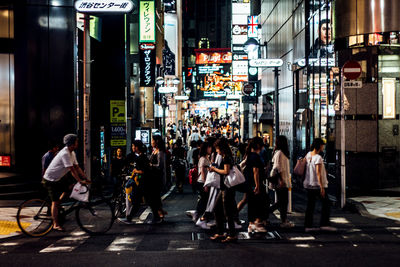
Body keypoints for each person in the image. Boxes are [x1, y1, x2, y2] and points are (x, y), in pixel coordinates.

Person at [42, 134, 89, 231]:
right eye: (76, 141)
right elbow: (71, 170)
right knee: (54, 202)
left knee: (70, 188)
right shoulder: (65, 154)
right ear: (72, 143)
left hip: (58, 179)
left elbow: (77, 167)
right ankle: (55, 224)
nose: (78, 143)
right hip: (50, 180)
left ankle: (59, 204)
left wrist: (86, 178)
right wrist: (80, 181)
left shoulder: (72, 153)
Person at [209, 138, 238, 243]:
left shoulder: (226, 158)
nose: (216, 151)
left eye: (217, 149)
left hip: (227, 188)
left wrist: (214, 169)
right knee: (217, 209)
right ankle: (221, 232)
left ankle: (232, 234)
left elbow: (226, 171)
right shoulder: (225, 157)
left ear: (221, 148)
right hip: (223, 188)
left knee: (227, 212)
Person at [303, 138, 336, 232]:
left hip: (309, 184)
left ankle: (308, 226)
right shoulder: (318, 157)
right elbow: (318, 173)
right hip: (317, 185)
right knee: (326, 203)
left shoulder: (308, 155)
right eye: (322, 145)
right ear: (319, 146)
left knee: (310, 205)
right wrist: (322, 187)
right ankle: (324, 224)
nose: (323, 147)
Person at [243, 137, 269, 233]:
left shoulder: (249, 155)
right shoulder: (255, 156)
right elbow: (256, 171)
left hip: (250, 183)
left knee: (252, 202)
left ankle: (251, 224)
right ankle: (257, 222)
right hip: (255, 184)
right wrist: (258, 185)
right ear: (258, 145)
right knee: (261, 202)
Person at [119, 140, 148, 224]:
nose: (132, 148)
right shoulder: (139, 157)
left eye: (133, 146)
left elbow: (144, 170)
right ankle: (129, 217)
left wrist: (136, 171)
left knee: (138, 200)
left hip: (141, 182)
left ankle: (129, 217)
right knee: (137, 201)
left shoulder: (141, 158)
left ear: (137, 147)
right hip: (139, 182)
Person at [269, 136, 294, 228]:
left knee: (282, 202)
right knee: (282, 202)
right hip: (281, 181)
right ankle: (263, 216)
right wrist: (281, 180)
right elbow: (277, 168)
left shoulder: (280, 153)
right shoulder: (279, 153)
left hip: (283, 180)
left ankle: (284, 220)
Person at [148, 135, 168, 223]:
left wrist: (150, 165)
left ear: (156, 141)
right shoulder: (154, 151)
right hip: (152, 178)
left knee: (154, 197)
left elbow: (160, 166)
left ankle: (159, 214)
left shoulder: (160, 152)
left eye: (152, 140)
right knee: (154, 197)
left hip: (157, 178)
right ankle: (159, 213)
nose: (151, 142)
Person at [193, 142, 212, 226]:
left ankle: (199, 215)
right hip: (202, 182)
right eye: (209, 147)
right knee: (204, 200)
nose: (210, 149)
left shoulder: (207, 158)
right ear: (206, 148)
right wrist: (205, 184)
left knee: (205, 199)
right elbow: (202, 172)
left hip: (205, 182)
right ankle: (198, 215)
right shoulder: (203, 159)